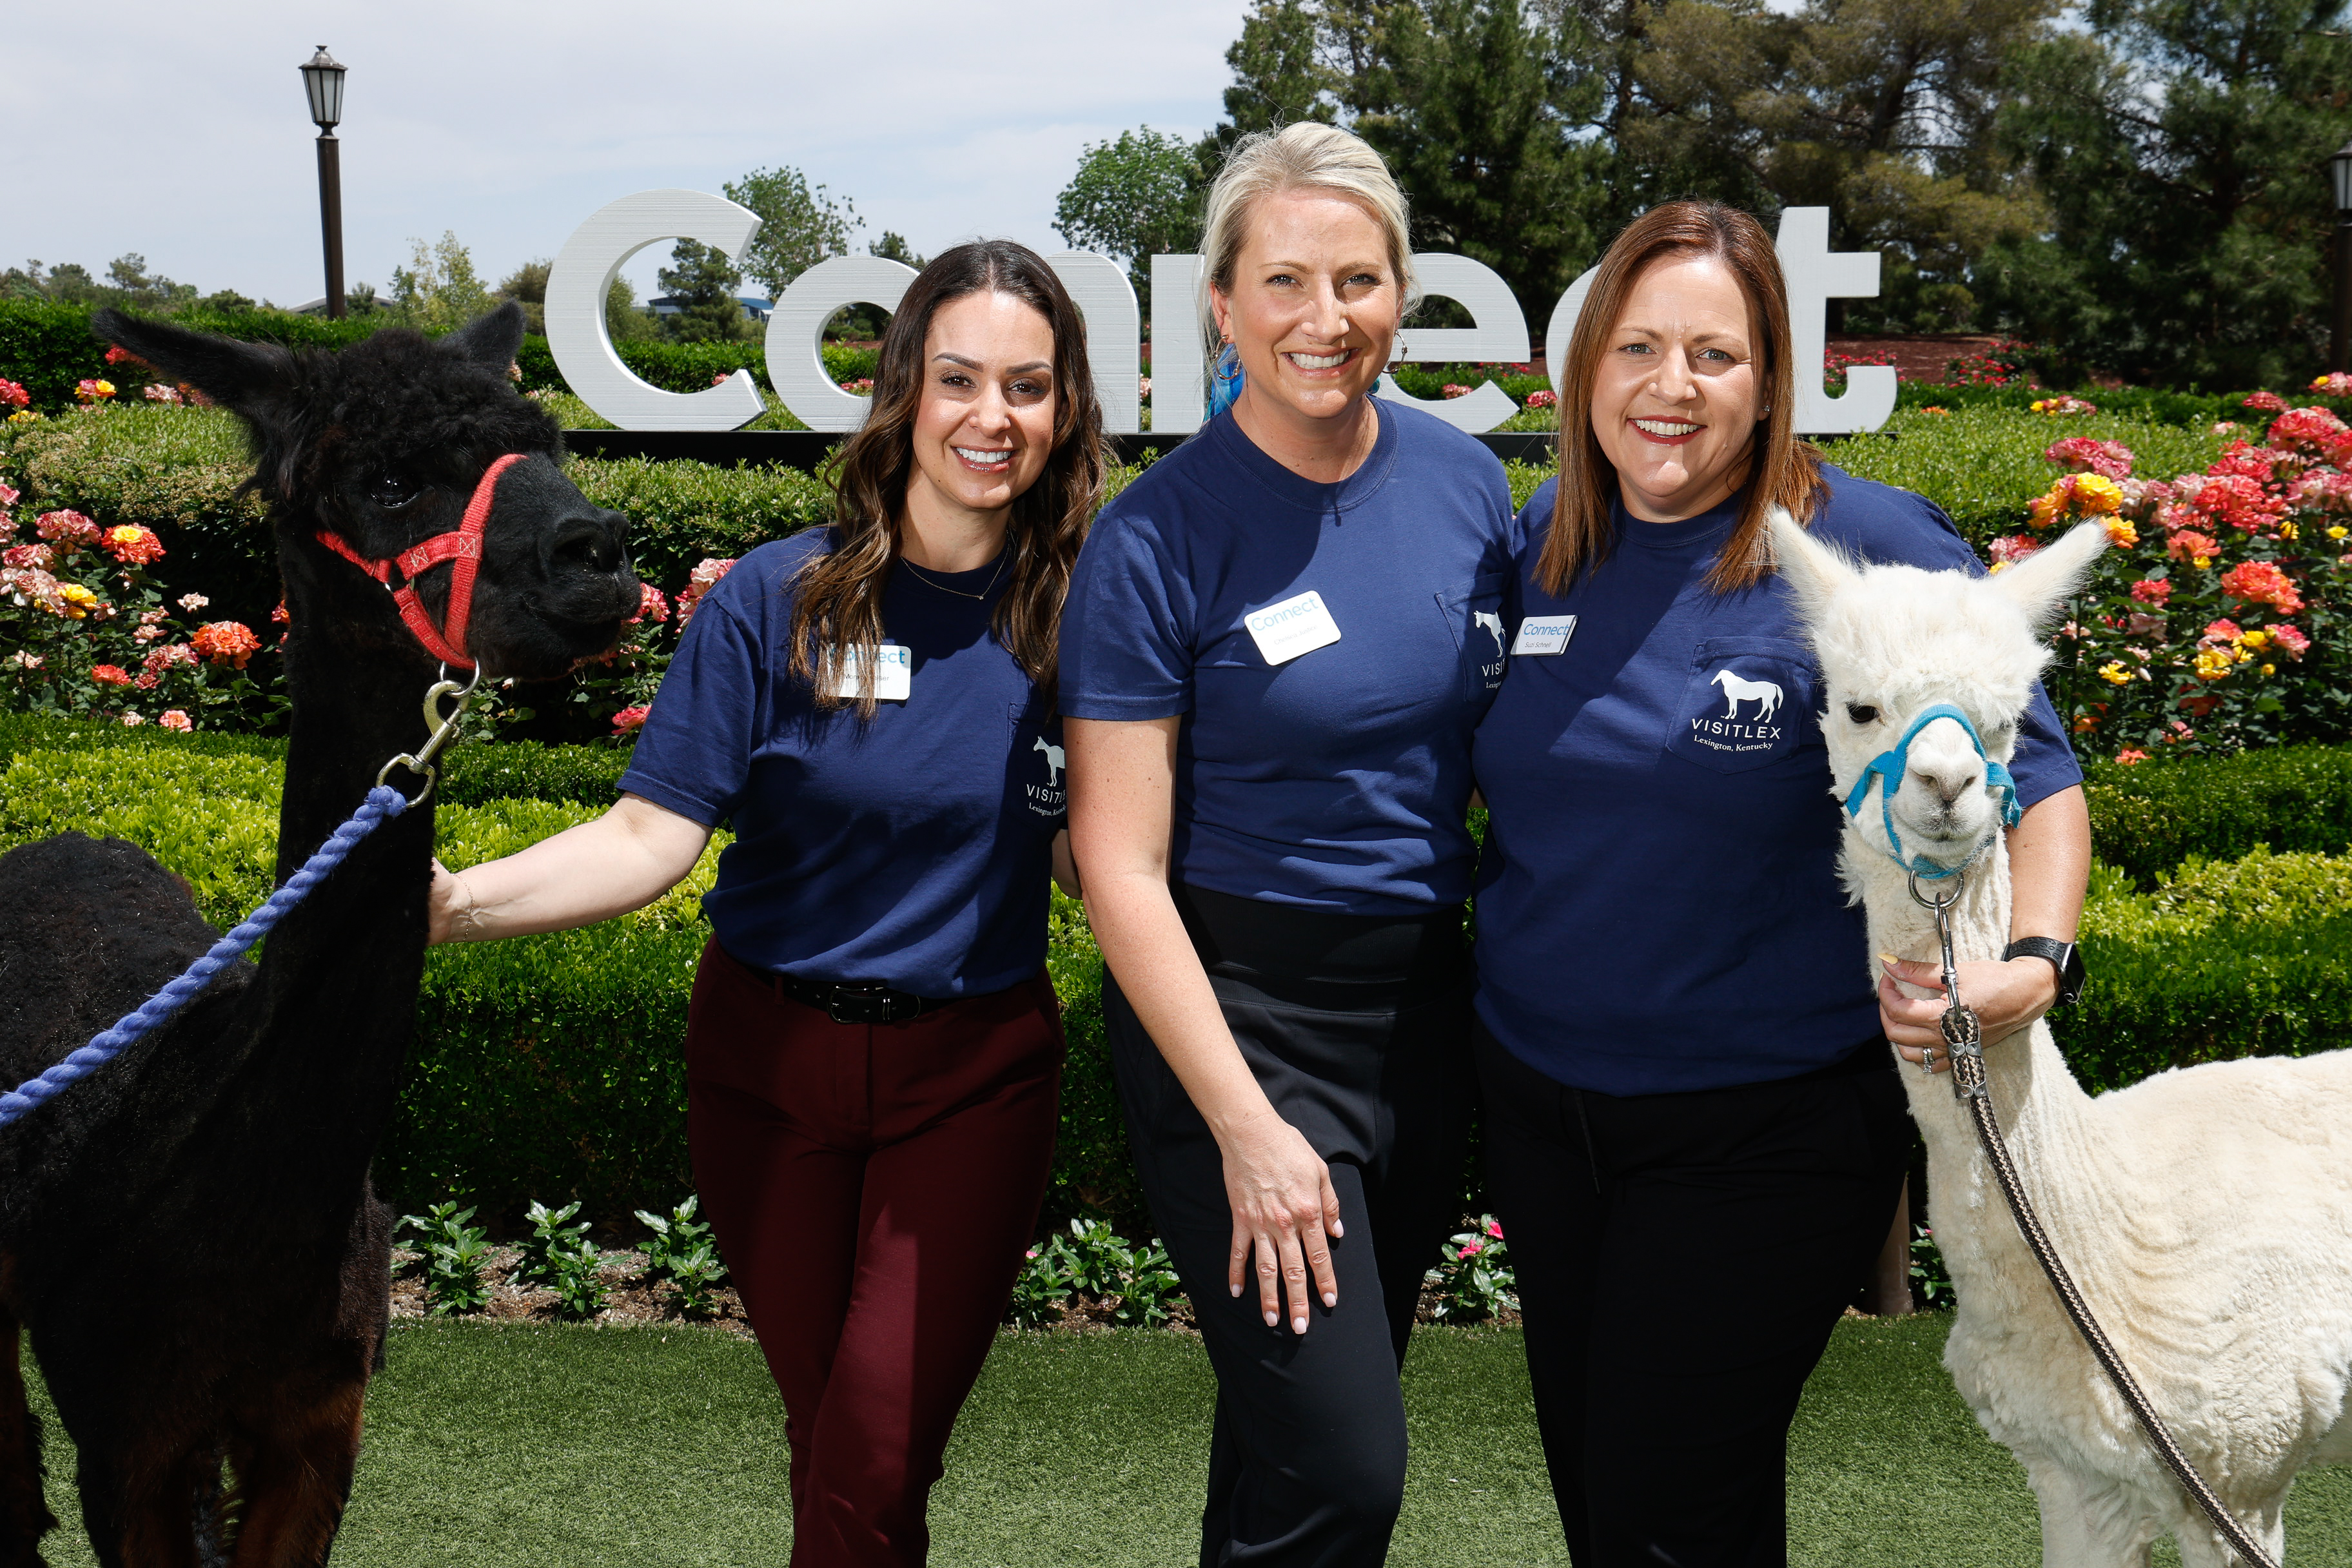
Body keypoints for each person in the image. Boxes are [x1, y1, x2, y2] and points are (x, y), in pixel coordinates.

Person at [424, 239, 1101, 1568]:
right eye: (960, 377)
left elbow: (1103, 859)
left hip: (971, 1082)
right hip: (765, 1078)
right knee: (837, 1446)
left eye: (1028, 384)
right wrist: (448, 905)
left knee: (874, 1454)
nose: (993, 416)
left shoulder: (1081, 615)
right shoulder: (774, 602)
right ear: (902, 390)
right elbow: (647, 834)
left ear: (1066, 407)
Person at [1471, 199, 2092, 1565]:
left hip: (1766, 1128)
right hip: (1545, 1113)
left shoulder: (1875, 548)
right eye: (1636, 347)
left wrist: (2036, 962)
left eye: (1715, 353)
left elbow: (2037, 778)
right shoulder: (1540, 545)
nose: (1671, 388)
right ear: (1586, 370)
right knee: (1630, 1500)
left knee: (1657, 1513)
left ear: (1773, 378)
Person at [1060, 121, 1516, 1566]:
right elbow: (1117, 868)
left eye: (1362, 281)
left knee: (1283, 1445)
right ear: (1223, 303)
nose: (1328, 320)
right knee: (1345, 1465)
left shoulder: (1467, 487)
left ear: (1403, 293)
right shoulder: (1154, 541)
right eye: (1286, 284)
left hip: (1420, 1019)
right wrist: (1250, 1126)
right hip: (1242, 1024)